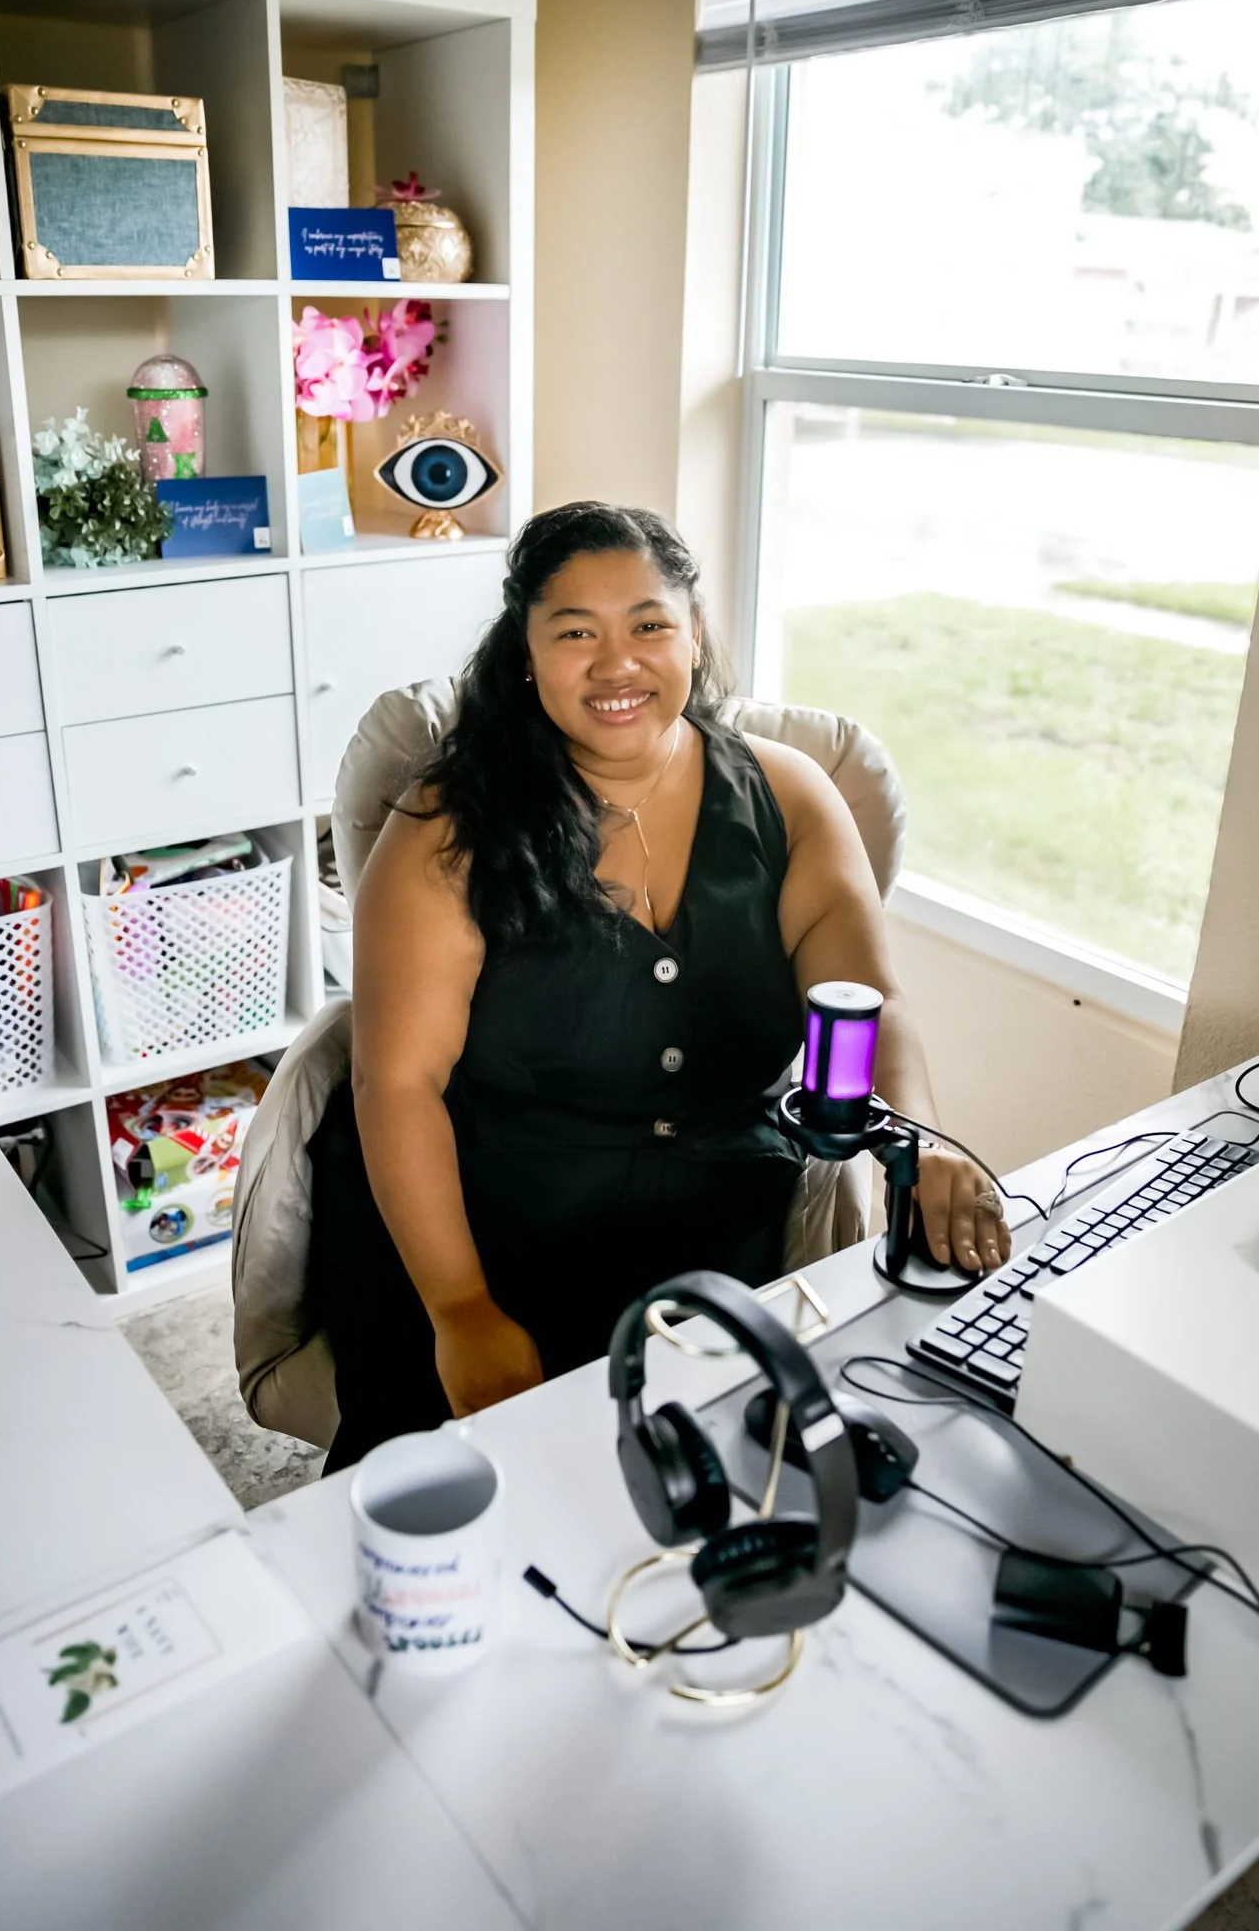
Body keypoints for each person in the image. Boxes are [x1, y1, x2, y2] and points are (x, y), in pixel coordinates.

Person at [309, 502, 1009, 1472]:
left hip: (718, 1227)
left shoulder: (790, 796)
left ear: (694, 633)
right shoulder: (448, 825)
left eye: (647, 624)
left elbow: (866, 1008)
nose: (617, 664)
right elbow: (397, 1082)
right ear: (525, 650)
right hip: (484, 1222)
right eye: (575, 633)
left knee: (739, 1488)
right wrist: (461, 1309)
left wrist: (919, 1140)